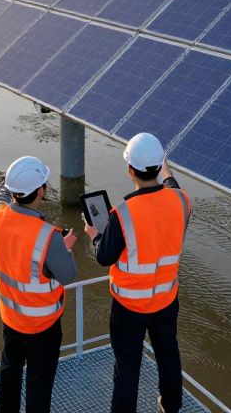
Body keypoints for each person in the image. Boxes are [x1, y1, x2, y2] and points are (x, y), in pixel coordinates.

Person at [85, 133, 191, 413]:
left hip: (129, 308)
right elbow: (171, 185)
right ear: (159, 167)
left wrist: (95, 235)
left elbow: (104, 257)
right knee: (168, 356)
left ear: (129, 170)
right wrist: (163, 165)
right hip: (166, 302)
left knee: (127, 367)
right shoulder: (181, 202)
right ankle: (170, 406)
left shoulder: (123, 214)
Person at [0, 156, 78, 413]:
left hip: (11, 317)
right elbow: (68, 275)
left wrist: (9, 182)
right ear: (41, 191)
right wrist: (67, 248)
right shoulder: (49, 236)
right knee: (38, 383)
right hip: (43, 326)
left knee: (10, 371)